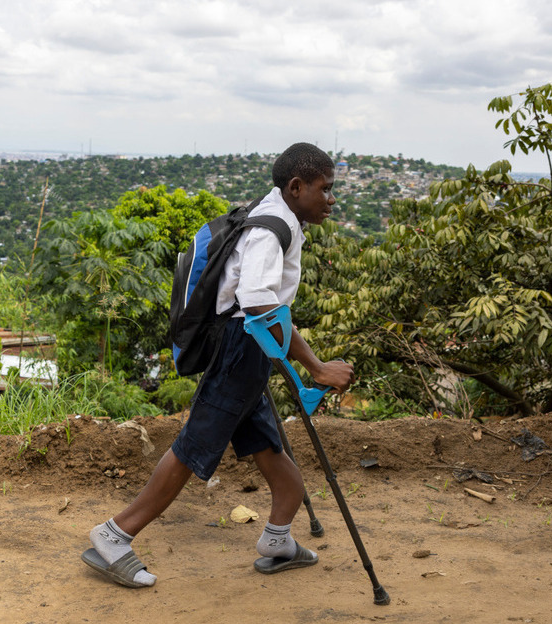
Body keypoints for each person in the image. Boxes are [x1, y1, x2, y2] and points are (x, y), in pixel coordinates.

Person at [80, 142, 354, 588]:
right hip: (242, 348)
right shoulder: (271, 231)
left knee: (267, 446)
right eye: (325, 189)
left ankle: (278, 540)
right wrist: (317, 367)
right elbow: (261, 305)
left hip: (251, 349)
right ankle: (113, 536)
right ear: (296, 187)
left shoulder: (277, 214)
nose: (331, 199)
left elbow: (268, 309)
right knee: (194, 446)